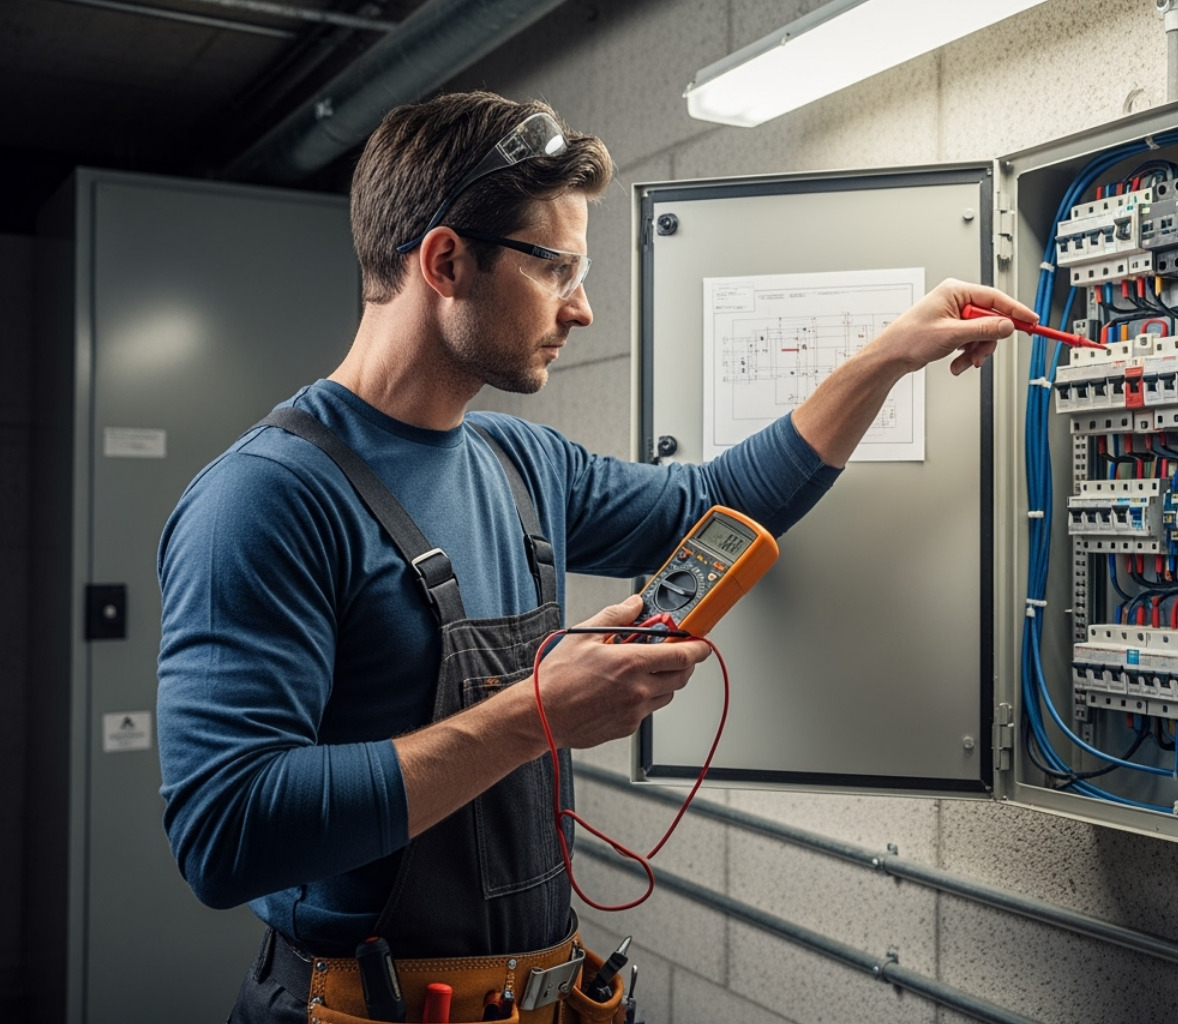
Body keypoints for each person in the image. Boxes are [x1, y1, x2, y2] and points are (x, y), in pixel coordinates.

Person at [156, 90, 1035, 1023]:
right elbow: (227, 831)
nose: (583, 308)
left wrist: (887, 358)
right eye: (557, 268)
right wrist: (535, 715)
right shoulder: (266, 498)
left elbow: (711, 507)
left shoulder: (518, 461)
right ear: (446, 261)